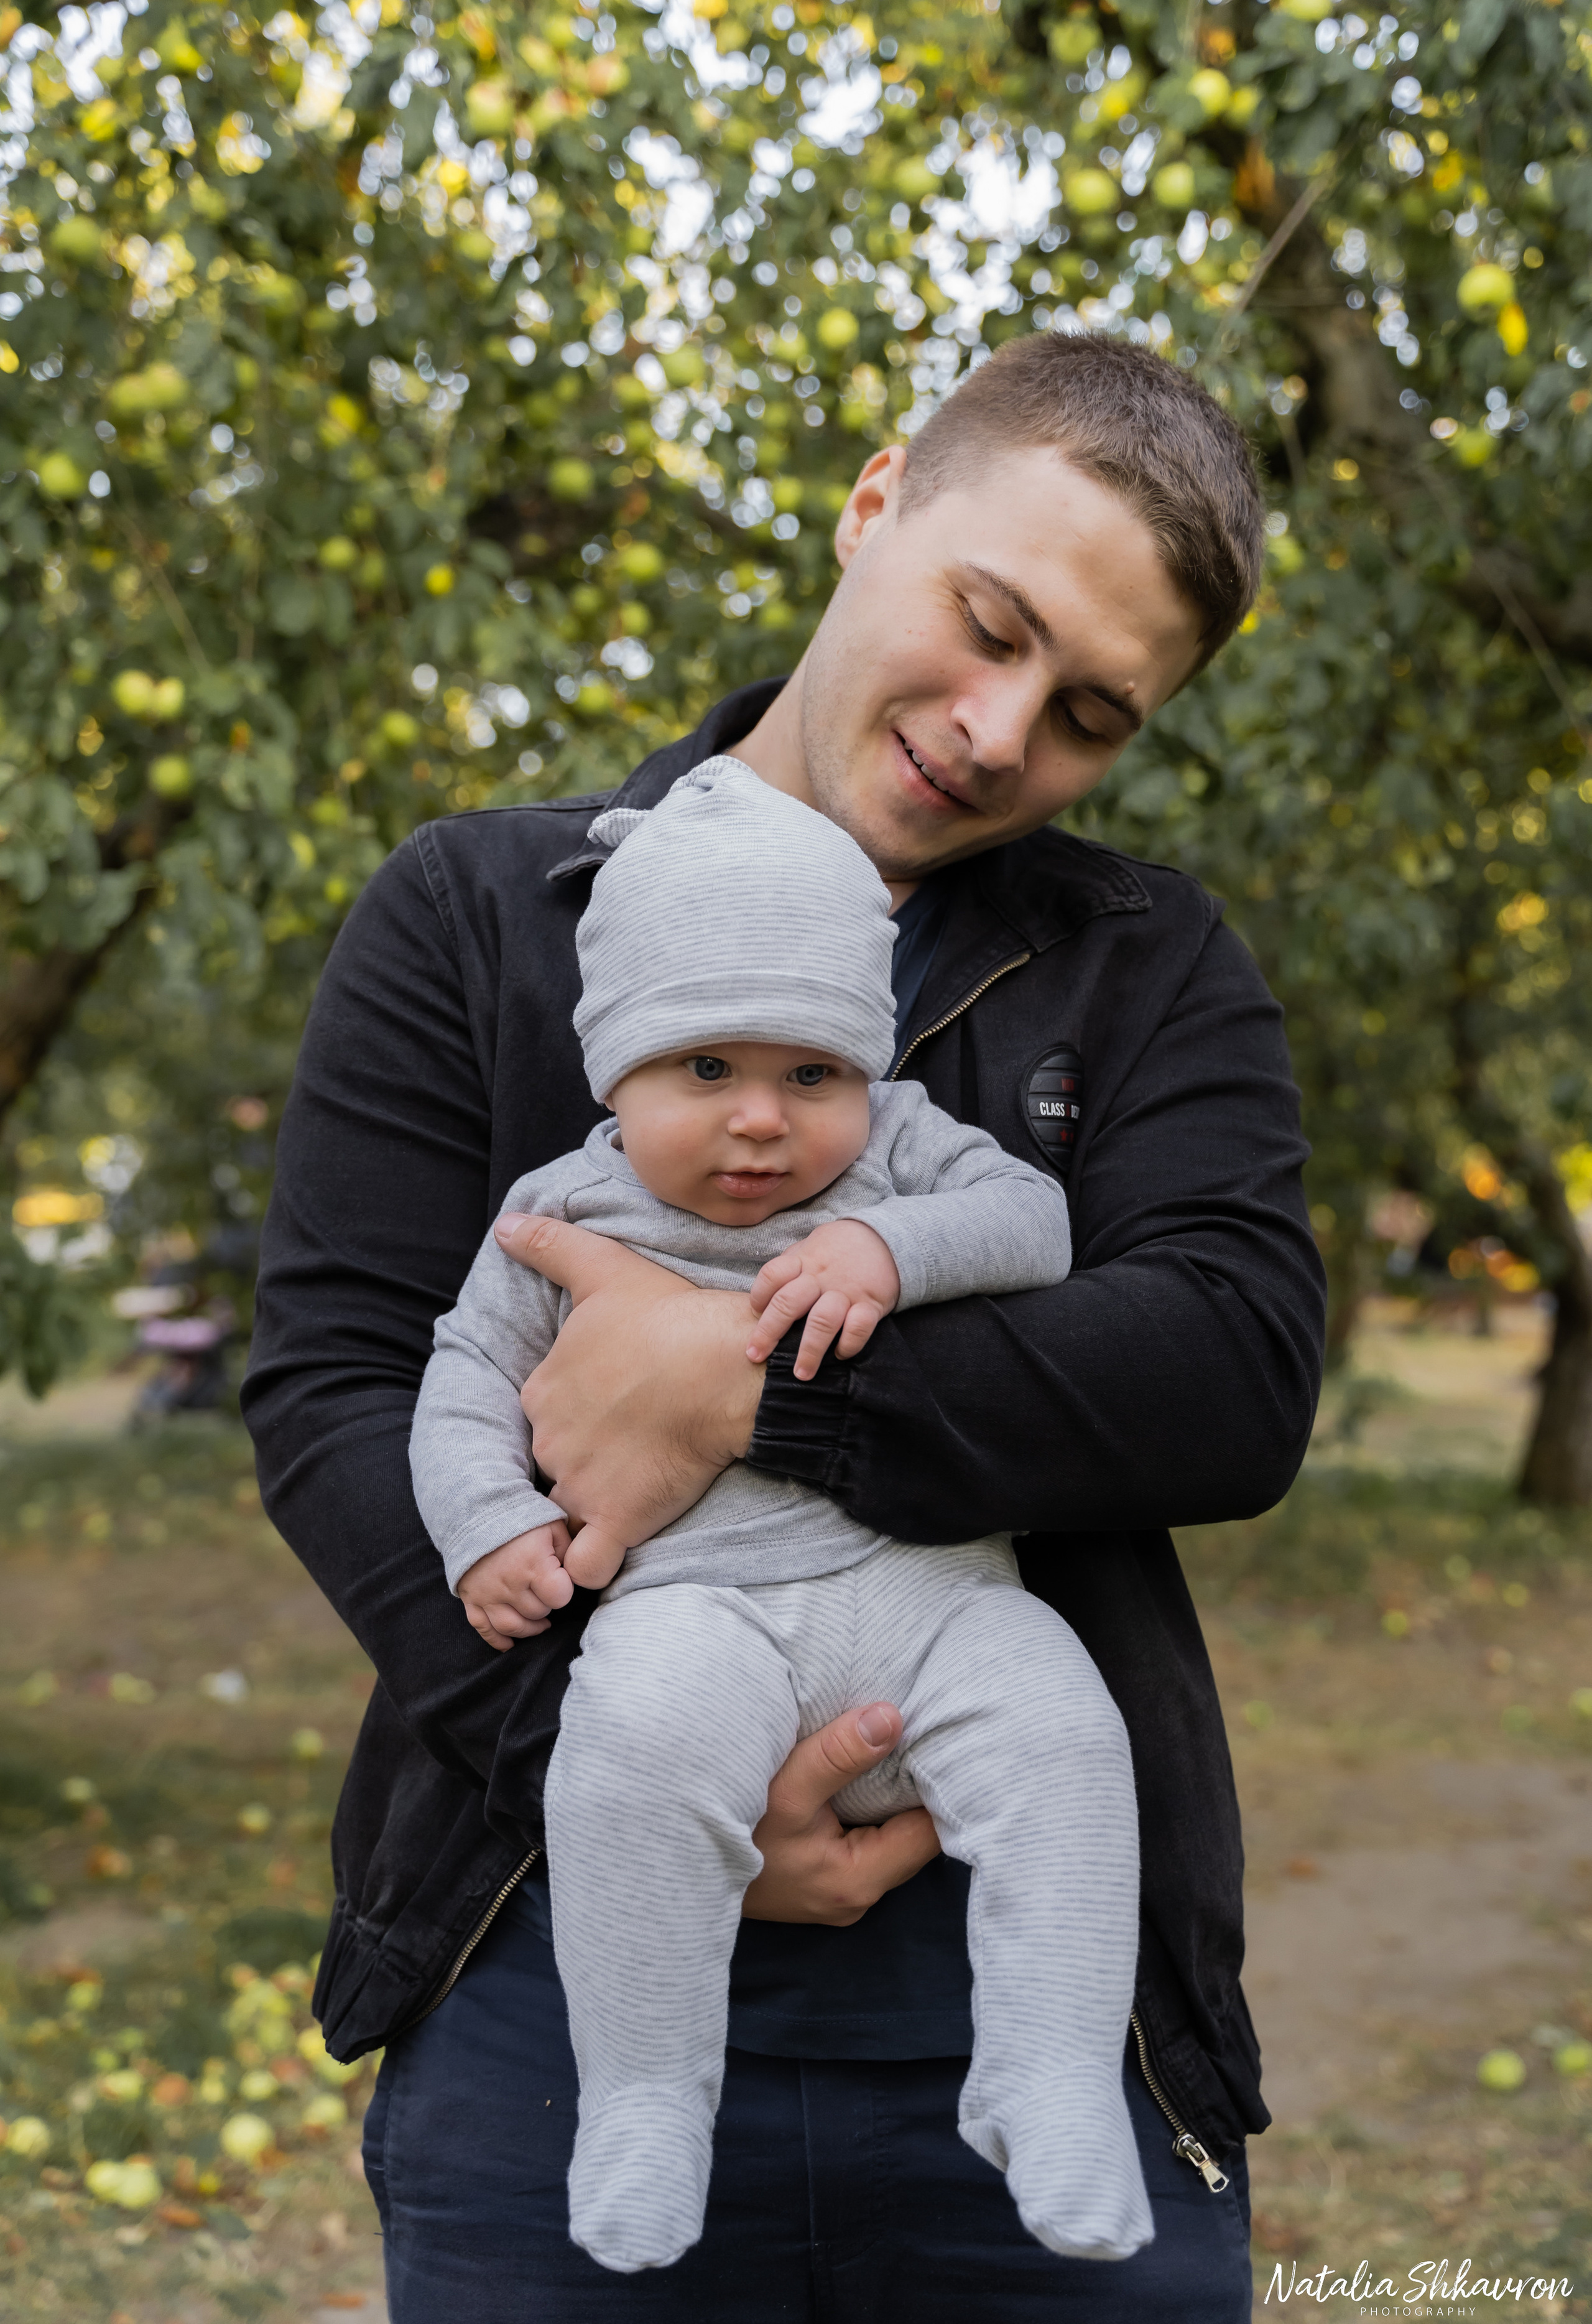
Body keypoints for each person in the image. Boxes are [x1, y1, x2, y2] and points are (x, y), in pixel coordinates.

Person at [242, 331, 1326, 2322]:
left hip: (1051, 1989)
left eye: (1091, 714)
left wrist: (742, 1390)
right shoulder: (478, 913)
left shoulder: (1144, 965)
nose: (999, 733)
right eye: (990, 626)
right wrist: (631, 1773)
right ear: (876, 500)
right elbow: (334, 1390)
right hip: (542, 1968)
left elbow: (1233, 1368)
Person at [410, 755, 1148, 2274]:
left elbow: (1034, 1219)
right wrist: (487, 1524)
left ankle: (1053, 2074)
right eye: (705, 1069)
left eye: (811, 1074)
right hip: (699, 1611)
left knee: (1065, 1736)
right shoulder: (563, 1209)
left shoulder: (902, 1150)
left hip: (930, 1597)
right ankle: (643, 2099)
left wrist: (890, 1249)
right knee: (627, 1758)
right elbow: (463, 1374)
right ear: (612, 1071)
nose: (760, 1121)